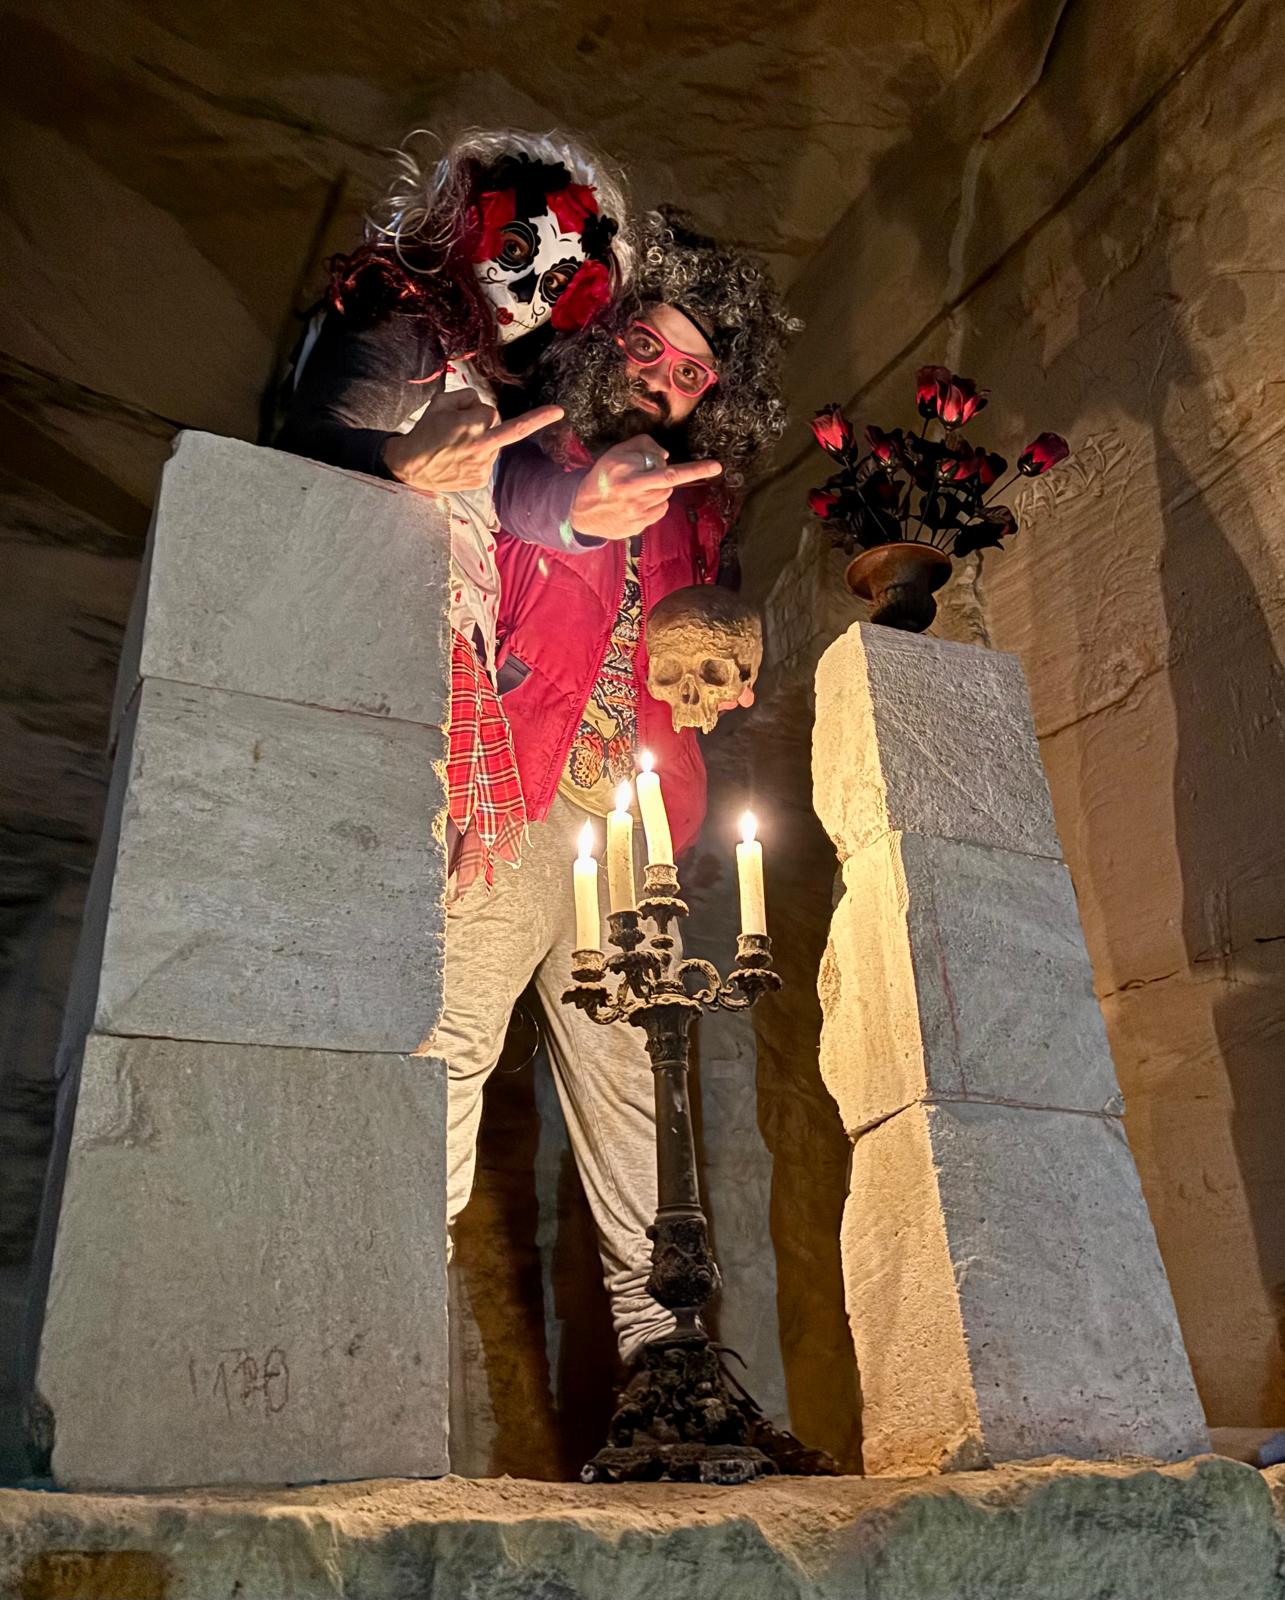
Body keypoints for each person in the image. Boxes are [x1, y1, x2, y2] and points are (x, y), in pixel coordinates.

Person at [430, 208, 799, 1368]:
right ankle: (384, 1324)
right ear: (609, 333)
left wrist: (720, 668)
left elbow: (680, 652)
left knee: (639, 1096)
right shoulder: (519, 427)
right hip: (513, 790)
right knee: (447, 1044)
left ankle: (669, 1368)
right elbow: (500, 508)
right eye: (650, 348)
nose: (664, 383)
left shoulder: (698, 509)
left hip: (634, 827)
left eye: (693, 375)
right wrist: (583, 509)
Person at [277, 127, 631, 893]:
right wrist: (397, 460)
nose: (529, 294)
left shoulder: (485, 380)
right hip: (380, 629)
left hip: (445, 638)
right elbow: (306, 445)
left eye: (559, 282)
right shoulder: (401, 321)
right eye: (517, 252)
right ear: (466, 226)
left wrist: (583, 508)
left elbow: (508, 490)